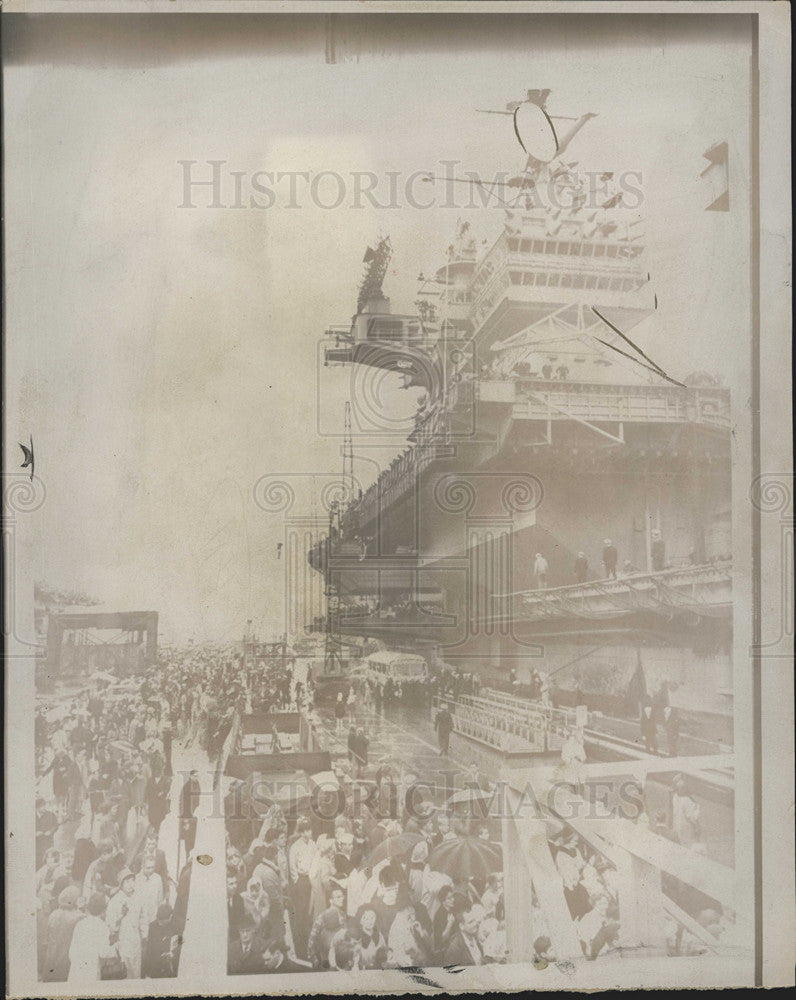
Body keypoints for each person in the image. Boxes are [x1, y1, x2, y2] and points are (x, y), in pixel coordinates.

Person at [68, 893, 114, 983]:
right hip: (91, 971)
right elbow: (103, 953)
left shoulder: (80, 924)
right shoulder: (102, 926)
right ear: (104, 910)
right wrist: (116, 948)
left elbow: (71, 953)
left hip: (76, 969)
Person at [144, 903, 179, 978]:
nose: (160, 923)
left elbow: (180, 943)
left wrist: (172, 954)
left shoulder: (174, 926)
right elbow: (150, 948)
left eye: (163, 921)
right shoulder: (152, 926)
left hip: (170, 965)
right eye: (159, 920)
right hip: (156, 965)